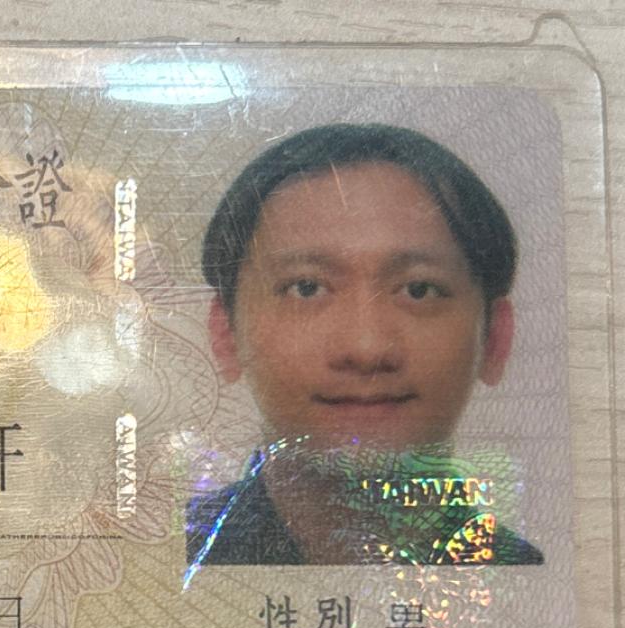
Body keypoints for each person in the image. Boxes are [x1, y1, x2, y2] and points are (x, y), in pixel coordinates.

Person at [186, 123, 543, 566]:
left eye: (418, 290)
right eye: (306, 288)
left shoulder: (535, 582)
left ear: (495, 339)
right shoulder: (163, 564)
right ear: (225, 333)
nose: (367, 348)